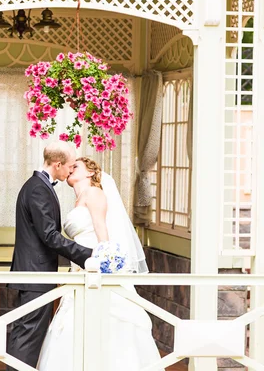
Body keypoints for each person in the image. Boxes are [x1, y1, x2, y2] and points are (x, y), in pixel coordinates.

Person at [37, 157, 163, 370]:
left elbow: (101, 229)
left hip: (94, 264)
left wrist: (105, 258)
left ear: (89, 173)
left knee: (107, 319)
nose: (70, 169)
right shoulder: (78, 199)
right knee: (74, 323)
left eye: (75, 166)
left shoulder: (94, 193)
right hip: (80, 265)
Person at [6, 142, 93, 371]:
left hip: (35, 271)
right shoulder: (37, 188)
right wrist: (87, 254)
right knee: (28, 333)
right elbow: (50, 236)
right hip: (35, 273)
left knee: (27, 331)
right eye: (70, 166)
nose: (70, 170)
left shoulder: (39, 185)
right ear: (57, 164)